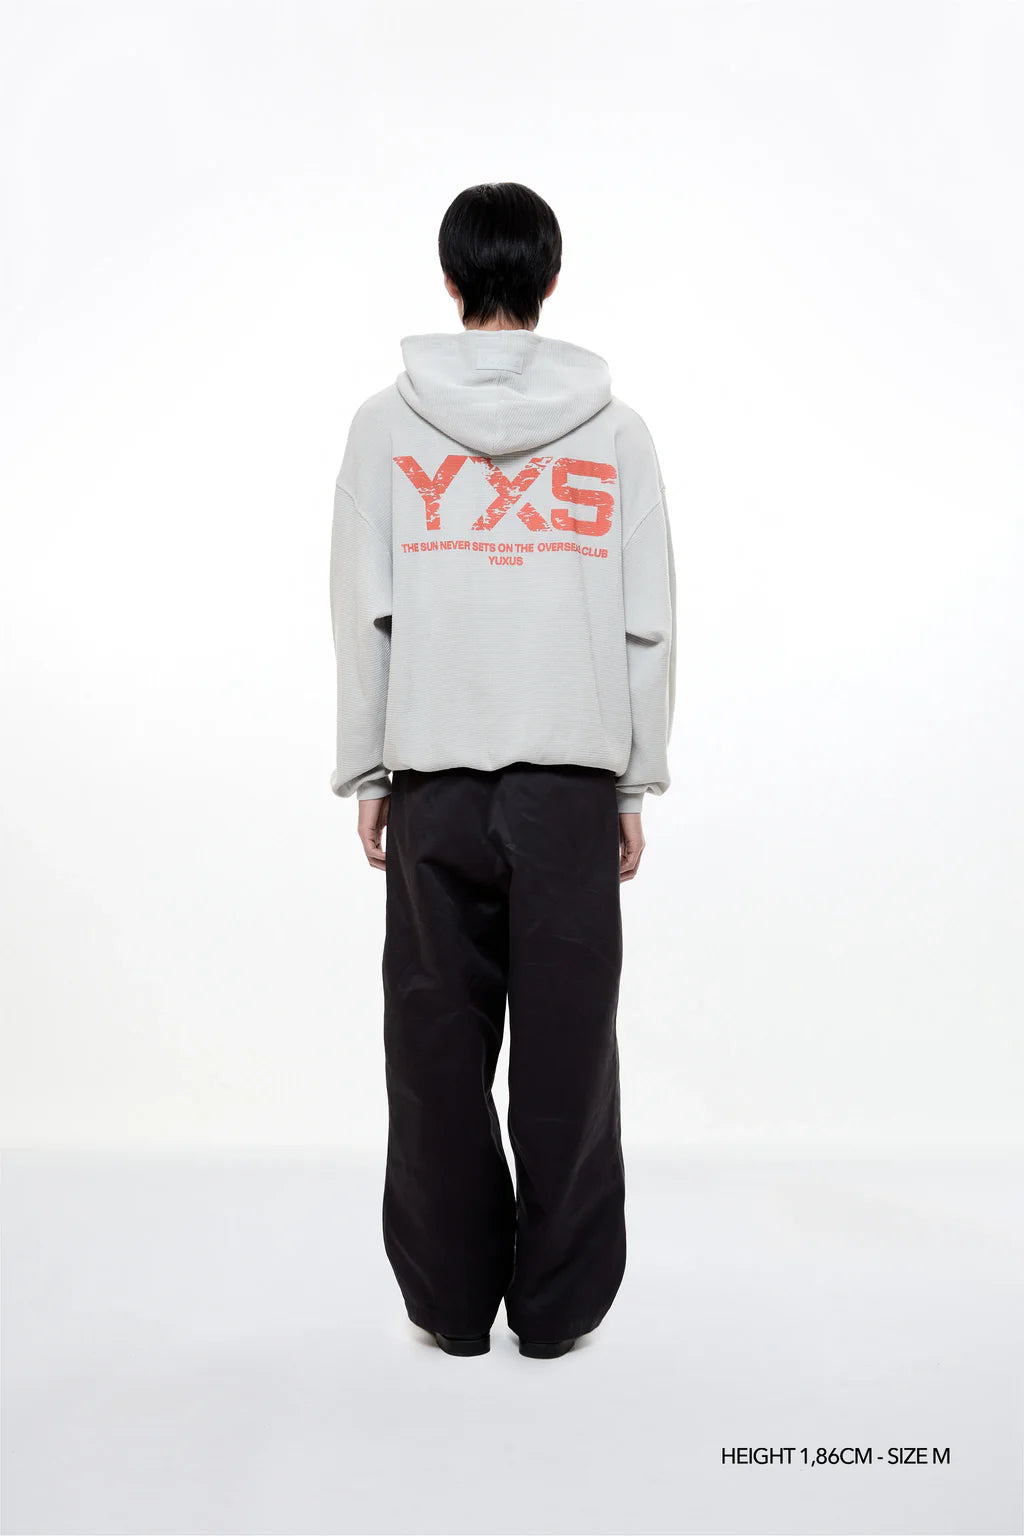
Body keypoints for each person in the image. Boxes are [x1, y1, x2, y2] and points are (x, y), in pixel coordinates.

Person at [329, 182, 676, 1360]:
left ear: (448, 280)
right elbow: (646, 622)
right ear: (550, 281)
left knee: (433, 1052)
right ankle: (559, 1312)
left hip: (435, 778)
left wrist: (369, 770)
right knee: (570, 1058)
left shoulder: (386, 426)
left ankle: (449, 1304)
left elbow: (364, 611)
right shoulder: (616, 435)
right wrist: (631, 781)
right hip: (568, 784)